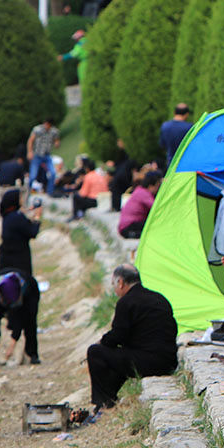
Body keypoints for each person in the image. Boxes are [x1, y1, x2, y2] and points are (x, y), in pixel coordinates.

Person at [86, 265, 178, 417]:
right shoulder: (159, 298)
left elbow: (117, 336)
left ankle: (103, 402)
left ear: (121, 282)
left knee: (95, 352)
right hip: (168, 361)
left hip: (149, 363)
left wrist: (101, 342)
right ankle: (108, 398)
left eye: (114, 285)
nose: (115, 290)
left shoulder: (126, 302)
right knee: (122, 355)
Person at [0, 270, 41, 365]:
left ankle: (31, 354)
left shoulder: (28, 287)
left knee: (30, 322)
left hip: (27, 296)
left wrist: (13, 342)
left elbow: (22, 317)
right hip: (3, 297)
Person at [0, 189, 41, 276]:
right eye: (20, 198)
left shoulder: (8, 216)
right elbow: (32, 232)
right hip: (18, 260)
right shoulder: (17, 217)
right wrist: (37, 217)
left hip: (7, 259)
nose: (22, 200)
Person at [118, 171, 162, 238]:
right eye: (158, 186)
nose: (158, 189)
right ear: (151, 186)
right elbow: (156, 208)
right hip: (129, 227)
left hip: (125, 226)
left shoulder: (139, 190)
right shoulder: (144, 194)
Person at [27, 119, 60, 194]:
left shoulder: (54, 131)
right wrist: (30, 151)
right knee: (33, 175)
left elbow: (57, 140)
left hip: (47, 155)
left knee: (53, 173)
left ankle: (50, 191)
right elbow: (30, 140)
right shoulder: (37, 130)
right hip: (37, 155)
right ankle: (28, 190)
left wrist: (57, 143)